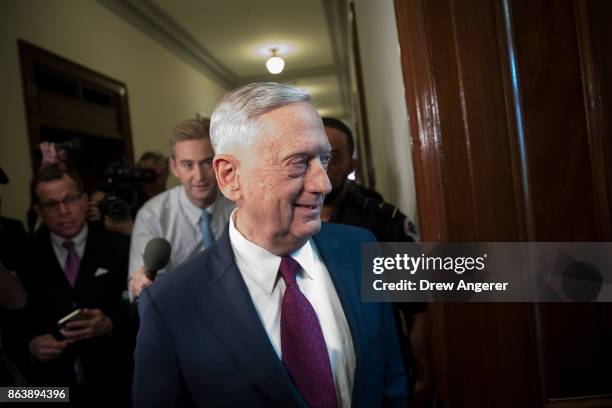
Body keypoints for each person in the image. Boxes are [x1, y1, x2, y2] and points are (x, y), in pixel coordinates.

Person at [133, 83, 407, 407]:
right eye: (298, 163)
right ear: (230, 176)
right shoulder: (169, 306)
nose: (324, 183)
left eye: (324, 159)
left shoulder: (362, 248)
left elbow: (392, 380)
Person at [321, 117, 432, 406]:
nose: (321, 166)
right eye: (313, 156)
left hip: (379, 371)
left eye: (332, 158)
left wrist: (416, 367)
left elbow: (416, 309)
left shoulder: (380, 224)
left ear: (351, 166)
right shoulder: (285, 224)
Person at [19, 164, 132, 406]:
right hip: (48, 390)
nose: (63, 211)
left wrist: (111, 322)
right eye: (51, 204)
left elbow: (142, 308)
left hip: (115, 383)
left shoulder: (121, 247)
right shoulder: (23, 256)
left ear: (84, 201)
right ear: (39, 210)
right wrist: (28, 344)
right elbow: (11, 320)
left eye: (70, 199)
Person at [128, 119, 234, 300]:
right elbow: (138, 286)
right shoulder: (152, 215)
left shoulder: (240, 203)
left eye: (207, 163)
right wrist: (140, 282)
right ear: (174, 168)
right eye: (188, 165)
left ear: (219, 162)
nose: (199, 176)